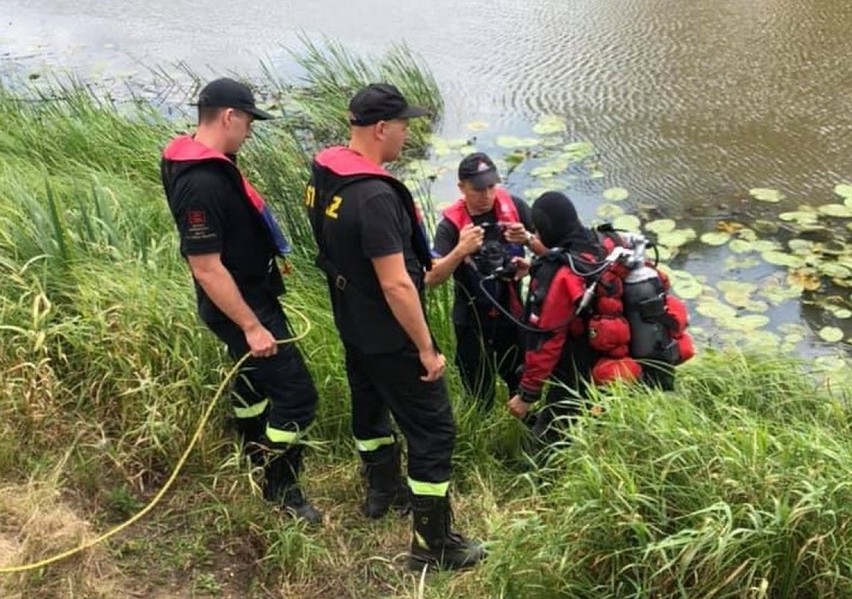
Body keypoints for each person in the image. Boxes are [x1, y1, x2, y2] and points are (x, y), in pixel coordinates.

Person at [305, 82, 484, 571]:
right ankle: (435, 545)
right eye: (404, 126)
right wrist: (426, 349)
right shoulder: (376, 198)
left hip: (352, 323)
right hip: (391, 335)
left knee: (369, 408)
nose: (407, 134)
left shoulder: (325, 171)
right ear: (381, 129)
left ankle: (382, 491)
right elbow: (399, 284)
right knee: (434, 430)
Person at [161, 77, 322, 524]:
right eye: (249, 120)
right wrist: (252, 326)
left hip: (250, 294)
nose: (251, 130)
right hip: (243, 305)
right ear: (229, 116)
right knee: (297, 397)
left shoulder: (205, 160)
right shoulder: (201, 184)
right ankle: (280, 489)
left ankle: (252, 450)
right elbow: (206, 266)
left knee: (252, 379)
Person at [506, 191, 694, 446]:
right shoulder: (608, 242)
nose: (537, 235)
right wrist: (535, 260)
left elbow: (546, 343)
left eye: (538, 230)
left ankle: (540, 474)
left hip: (581, 365)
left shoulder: (560, 274)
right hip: (625, 352)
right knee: (608, 418)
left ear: (549, 229)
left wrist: (527, 395)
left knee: (549, 435)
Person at [425, 153, 543, 409]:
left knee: (521, 380)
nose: (487, 195)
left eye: (491, 186)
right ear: (462, 188)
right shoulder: (450, 226)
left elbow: (553, 255)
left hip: (510, 314)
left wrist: (527, 242)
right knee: (479, 393)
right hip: (471, 319)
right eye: (478, 189)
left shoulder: (516, 207)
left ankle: (525, 434)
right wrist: (460, 250)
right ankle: (484, 437)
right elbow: (430, 278)